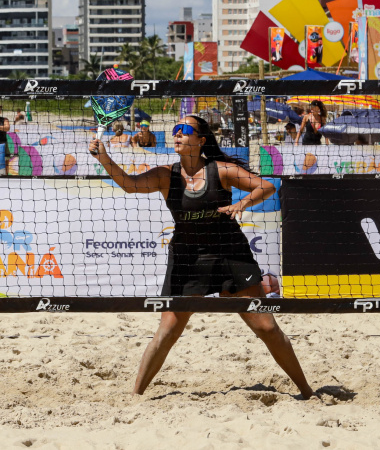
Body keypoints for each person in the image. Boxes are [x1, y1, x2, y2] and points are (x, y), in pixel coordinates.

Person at [88, 115, 314, 398]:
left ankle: (306, 391)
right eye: (175, 130)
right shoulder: (165, 174)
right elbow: (130, 184)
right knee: (168, 330)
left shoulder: (221, 170)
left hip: (229, 252)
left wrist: (242, 202)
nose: (177, 134)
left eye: (184, 130)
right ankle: (136, 397)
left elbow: (266, 186)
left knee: (267, 326)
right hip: (187, 257)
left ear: (201, 140)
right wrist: (104, 158)